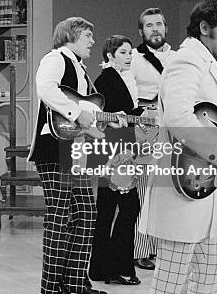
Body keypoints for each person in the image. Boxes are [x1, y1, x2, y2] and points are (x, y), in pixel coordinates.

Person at [139, 0, 217, 293]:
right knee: (171, 280)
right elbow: (178, 118)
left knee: (209, 271)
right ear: (205, 27)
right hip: (182, 182)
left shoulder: (209, 61)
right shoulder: (187, 60)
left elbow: (215, 123)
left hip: (203, 181)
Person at [29, 17, 108, 294]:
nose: (92, 41)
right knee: (60, 216)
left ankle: (74, 284)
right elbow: (46, 89)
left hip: (74, 149)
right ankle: (51, 288)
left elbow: (86, 111)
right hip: (54, 147)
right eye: (87, 35)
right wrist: (78, 114)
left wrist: (107, 120)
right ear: (70, 36)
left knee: (86, 213)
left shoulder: (80, 68)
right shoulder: (56, 58)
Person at [88, 35, 143, 286]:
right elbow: (102, 114)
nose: (129, 56)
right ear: (110, 56)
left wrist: (141, 114)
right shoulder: (106, 79)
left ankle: (103, 268)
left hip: (123, 148)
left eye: (130, 52)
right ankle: (114, 267)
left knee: (112, 208)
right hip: (112, 151)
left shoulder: (124, 78)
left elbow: (127, 111)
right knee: (122, 208)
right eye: (123, 52)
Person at [130, 7, 176, 271]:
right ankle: (140, 249)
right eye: (149, 25)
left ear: (166, 28)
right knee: (145, 191)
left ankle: (162, 247)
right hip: (145, 129)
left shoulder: (178, 57)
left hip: (170, 127)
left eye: (159, 24)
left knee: (167, 190)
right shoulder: (133, 58)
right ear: (141, 31)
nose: (155, 29)